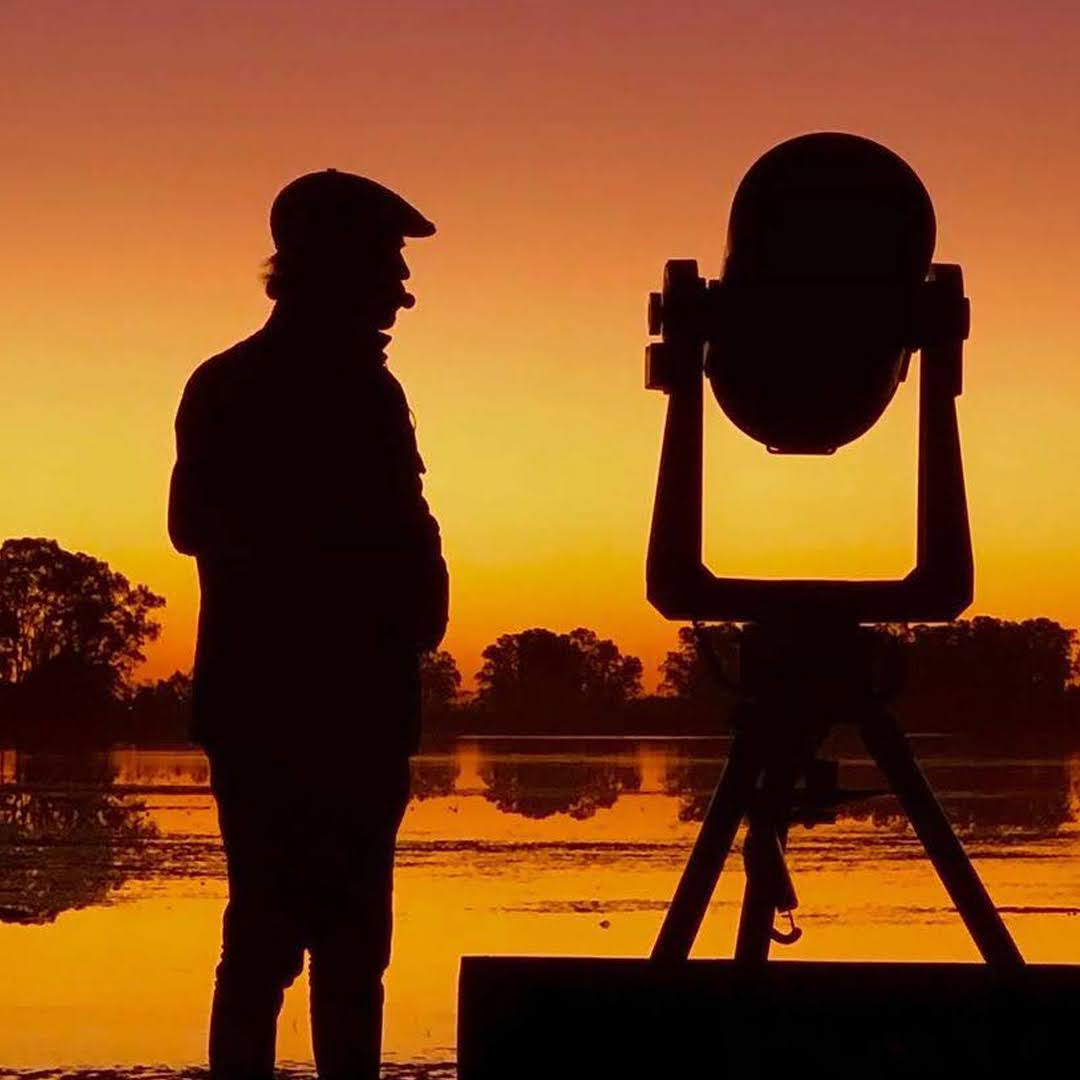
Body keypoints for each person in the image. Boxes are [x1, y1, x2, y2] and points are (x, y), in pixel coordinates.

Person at [168, 169, 448, 1079]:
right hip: (340, 710)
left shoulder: (223, 383)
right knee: (342, 946)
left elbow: (188, 526)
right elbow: (393, 538)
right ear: (334, 267)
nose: (402, 289)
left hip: (262, 706)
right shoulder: (361, 394)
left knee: (267, 937)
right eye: (387, 265)